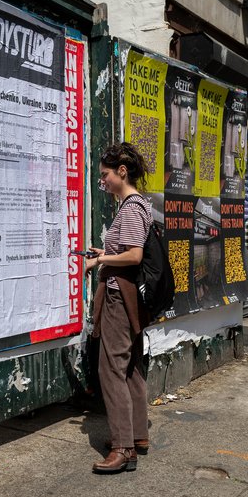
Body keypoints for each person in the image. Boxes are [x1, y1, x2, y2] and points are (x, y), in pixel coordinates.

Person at [84, 142, 151, 473]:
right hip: (125, 296)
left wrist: (101, 260)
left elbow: (134, 255)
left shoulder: (131, 207)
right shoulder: (133, 206)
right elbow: (127, 248)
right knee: (130, 368)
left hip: (119, 297)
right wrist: (105, 251)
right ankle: (137, 436)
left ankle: (123, 448)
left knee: (110, 369)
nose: (103, 181)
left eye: (105, 175)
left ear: (121, 172)